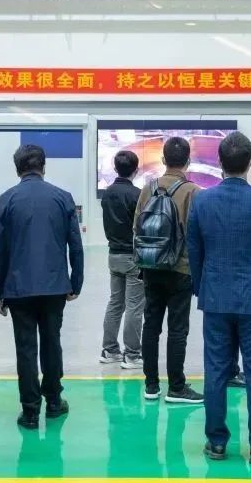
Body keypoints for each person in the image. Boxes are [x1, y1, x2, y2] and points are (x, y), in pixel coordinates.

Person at [187, 131, 251, 465]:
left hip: (216, 298)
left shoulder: (202, 201)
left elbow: (194, 250)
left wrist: (202, 287)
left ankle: (216, 442)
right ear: (250, 162)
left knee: (215, 371)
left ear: (219, 162)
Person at [0, 145, 83, 429]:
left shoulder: (4, 201)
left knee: (25, 348)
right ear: (43, 166)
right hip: (54, 286)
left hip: (18, 288)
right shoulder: (63, 198)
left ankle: (30, 410)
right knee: (52, 342)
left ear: (17, 168)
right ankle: (54, 401)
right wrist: (75, 282)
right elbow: (75, 246)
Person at [134, 136, 203, 404]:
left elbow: (136, 228)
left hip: (150, 266)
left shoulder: (147, 188)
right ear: (188, 161)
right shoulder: (193, 192)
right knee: (177, 328)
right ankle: (177, 387)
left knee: (151, 325)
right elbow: (197, 235)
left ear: (163, 160)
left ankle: (151, 385)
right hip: (180, 268)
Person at [99, 149, 144, 369]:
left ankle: (109, 350)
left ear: (115, 168)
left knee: (115, 303)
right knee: (134, 306)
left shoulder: (107, 193)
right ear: (136, 170)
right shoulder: (137, 195)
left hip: (113, 255)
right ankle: (132, 355)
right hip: (132, 257)